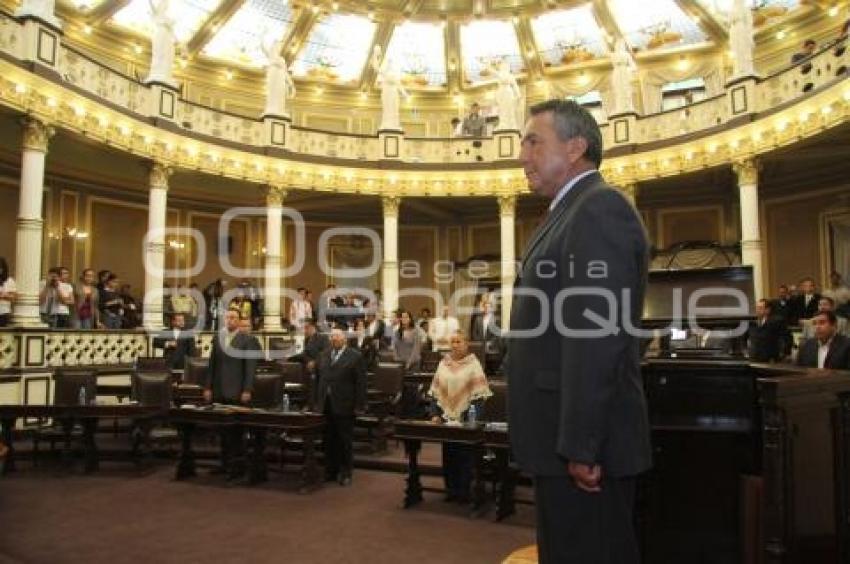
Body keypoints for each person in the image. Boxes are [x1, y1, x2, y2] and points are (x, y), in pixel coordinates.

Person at [505, 99, 651, 564]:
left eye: (533, 141)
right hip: (561, 441)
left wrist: (582, 445)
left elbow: (596, 337)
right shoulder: (567, 213)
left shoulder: (598, 208)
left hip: (584, 450)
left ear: (575, 147)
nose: (522, 155)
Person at [428, 331, 492, 502]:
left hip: (466, 420)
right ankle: (451, 490)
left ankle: (464, 491)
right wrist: (435, 414)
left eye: (459, 341)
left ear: (466, 344)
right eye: (453, 342)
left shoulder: (473, 365)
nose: (455, 345)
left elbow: (479, 395)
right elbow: (435, 391)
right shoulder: (443, 363)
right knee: (448, 454)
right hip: (446, 420)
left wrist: (471, 420)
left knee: (464, 455)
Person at [203, 309, 259, 481]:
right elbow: (211, 365)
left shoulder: (247, 340)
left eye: (233, 317)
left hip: (237, 392)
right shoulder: (217, 338)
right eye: (227, 317)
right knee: (222, 431)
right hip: (219, 391)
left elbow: (250, 368)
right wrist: (208, 387)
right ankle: (224, 464)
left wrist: (247, 389)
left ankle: (237, 467)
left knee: (236, 432)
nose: (230, 320)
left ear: (239, 320)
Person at [314, 328, 367, 486]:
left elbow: (361, 383)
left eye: (337, 336)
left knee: (344, 440)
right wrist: (317, 402)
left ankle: (346, 471)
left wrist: (359, 405)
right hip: (326, 403)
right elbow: (319, 379)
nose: (334, 339)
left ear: (344, 339)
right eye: (332, 336)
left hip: (345, 403)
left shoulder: (355, 356)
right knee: (328, 439)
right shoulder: (324, 355)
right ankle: (330, 470)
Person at [0, 257, 16, 327]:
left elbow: (13, 297)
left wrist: (3, 296)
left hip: (4, 313)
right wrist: (5, 295)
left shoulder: (9, 280)